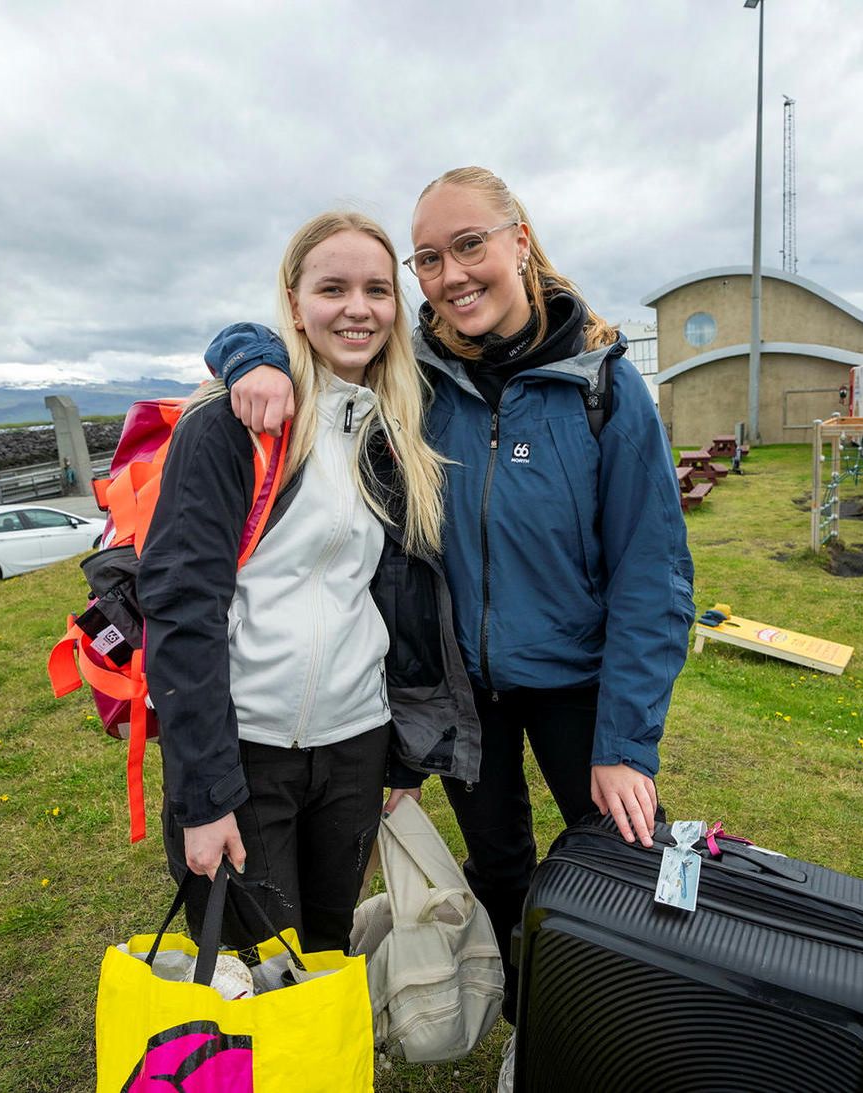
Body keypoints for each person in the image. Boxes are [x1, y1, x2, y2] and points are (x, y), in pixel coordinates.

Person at [205, 167, 695, 1012]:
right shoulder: (413, 377)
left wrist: (624, 743)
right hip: (468, 692)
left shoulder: (603, 386)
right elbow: (311, 331)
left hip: (581, 681)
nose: (450, 274)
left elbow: (654, 575)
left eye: (469, 245)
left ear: (520, 241)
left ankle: (613, 1022)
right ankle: (528, 1012)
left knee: (622, 861)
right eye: (427, 259)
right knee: (501, 864)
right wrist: (248, 353)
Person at [137, 210, 480, 954]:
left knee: (325, 949)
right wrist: (202, 796)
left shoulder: (391, 433)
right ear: (293, 303)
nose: (358, 309)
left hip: (355, 742)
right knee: (257, 966)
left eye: (377, 291)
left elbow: (392, 597)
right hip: (247, 746)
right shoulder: (232, 426)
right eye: (333, 288)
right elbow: (180, 611)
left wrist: (402, 756)